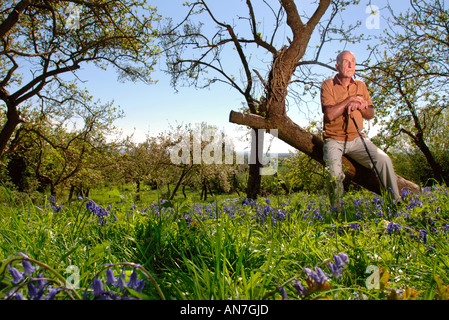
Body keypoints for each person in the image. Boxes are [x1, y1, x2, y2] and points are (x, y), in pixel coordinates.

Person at [321, 50, 400, 210]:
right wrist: (349, 100)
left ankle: (395, 203)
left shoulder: (361, 85)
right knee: (334, 176)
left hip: (357, 139)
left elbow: (370, 113)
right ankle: (337, 213)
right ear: (337, 66)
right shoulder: (328, 85)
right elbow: (329, 114)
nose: (350, 65)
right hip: (333, 139)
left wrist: (360, 106)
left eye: (353, 61)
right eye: (345, 61)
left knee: (384, 160)